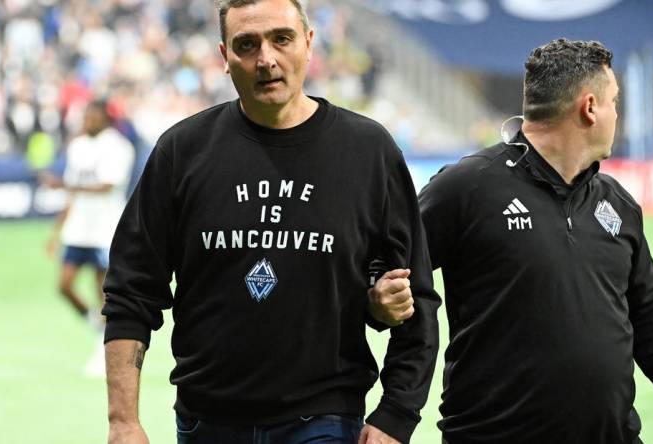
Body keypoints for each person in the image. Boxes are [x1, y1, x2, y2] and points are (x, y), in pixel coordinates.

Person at [101, 1, 440, 444]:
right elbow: (131, 291)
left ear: (309, 43)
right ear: (224, 57)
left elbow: (415, 296)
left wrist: (396, 414)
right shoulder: (182, 152)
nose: (266, 59)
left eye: (281, 38)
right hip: (207, 421)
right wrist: (123, 421)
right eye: (247, 44)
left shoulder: (368, 151)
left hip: (324, 422)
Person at [417, 38, 653, 443]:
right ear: (589, 108)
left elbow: (648, 306)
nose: (617, 113)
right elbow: (388, 268)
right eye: (614, 101)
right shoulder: (466, 188)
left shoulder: (617, 204)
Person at [42, 99, 136, 375]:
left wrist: (65, 184)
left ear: (104, 118)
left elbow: (108, 186)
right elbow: (73, 195)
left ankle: (104, 350)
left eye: (91, 116)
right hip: (78, 229)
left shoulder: (118, 146)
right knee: (64, 285)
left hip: (105, 229)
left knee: (102, 291)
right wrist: (56, 232)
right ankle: (97, 328)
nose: (86, 120)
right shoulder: (79, 146)